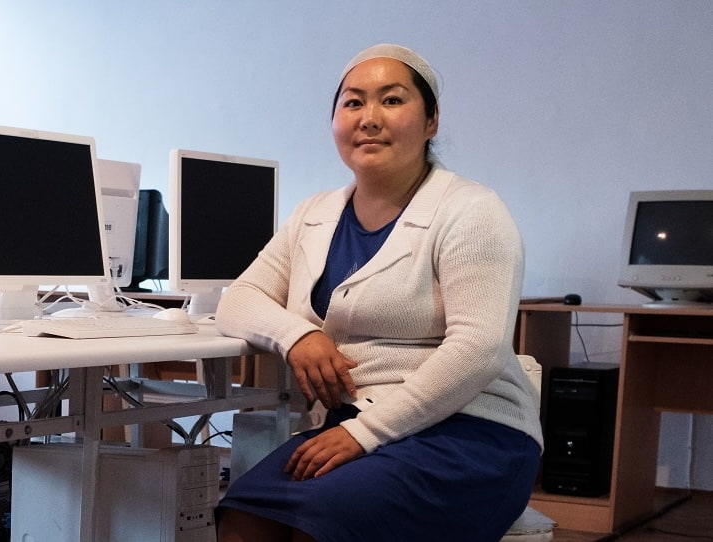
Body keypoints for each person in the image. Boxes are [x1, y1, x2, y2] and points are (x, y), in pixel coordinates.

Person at [213, 44, 543, 542]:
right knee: (243, 516)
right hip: (356, 422)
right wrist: (297, 335)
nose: (369, 119)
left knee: (321, 522)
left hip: (471, 430)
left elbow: (479, 349)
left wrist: (363, 434)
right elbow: (238, 299)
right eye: (353, 103)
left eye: (391, 101)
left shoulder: (472, 211)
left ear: (431, 121)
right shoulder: (314, 215)